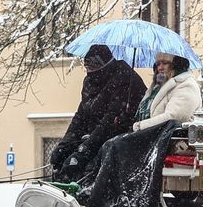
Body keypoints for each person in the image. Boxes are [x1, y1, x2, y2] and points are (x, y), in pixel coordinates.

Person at [50, 44, 147, 183]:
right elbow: (81, 116)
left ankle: (89, 194)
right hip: (93, 134)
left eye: (93, 64)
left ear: (105, 64)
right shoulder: (89, 82)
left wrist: (83, 151)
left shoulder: (125, 79)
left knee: (91, 164)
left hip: (119, 134)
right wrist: (64, 145)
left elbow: (109, 122)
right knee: (63, 158)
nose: (89, 70)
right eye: (86, 65)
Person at [132, 53, 202, 131]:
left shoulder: (186, 85)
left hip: (170, 139)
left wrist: (141, 126)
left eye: (165, 63)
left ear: (177, 65)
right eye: (158, 64)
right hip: (151, 136)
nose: (160, 68)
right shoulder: (157, 87)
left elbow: (174, 117)